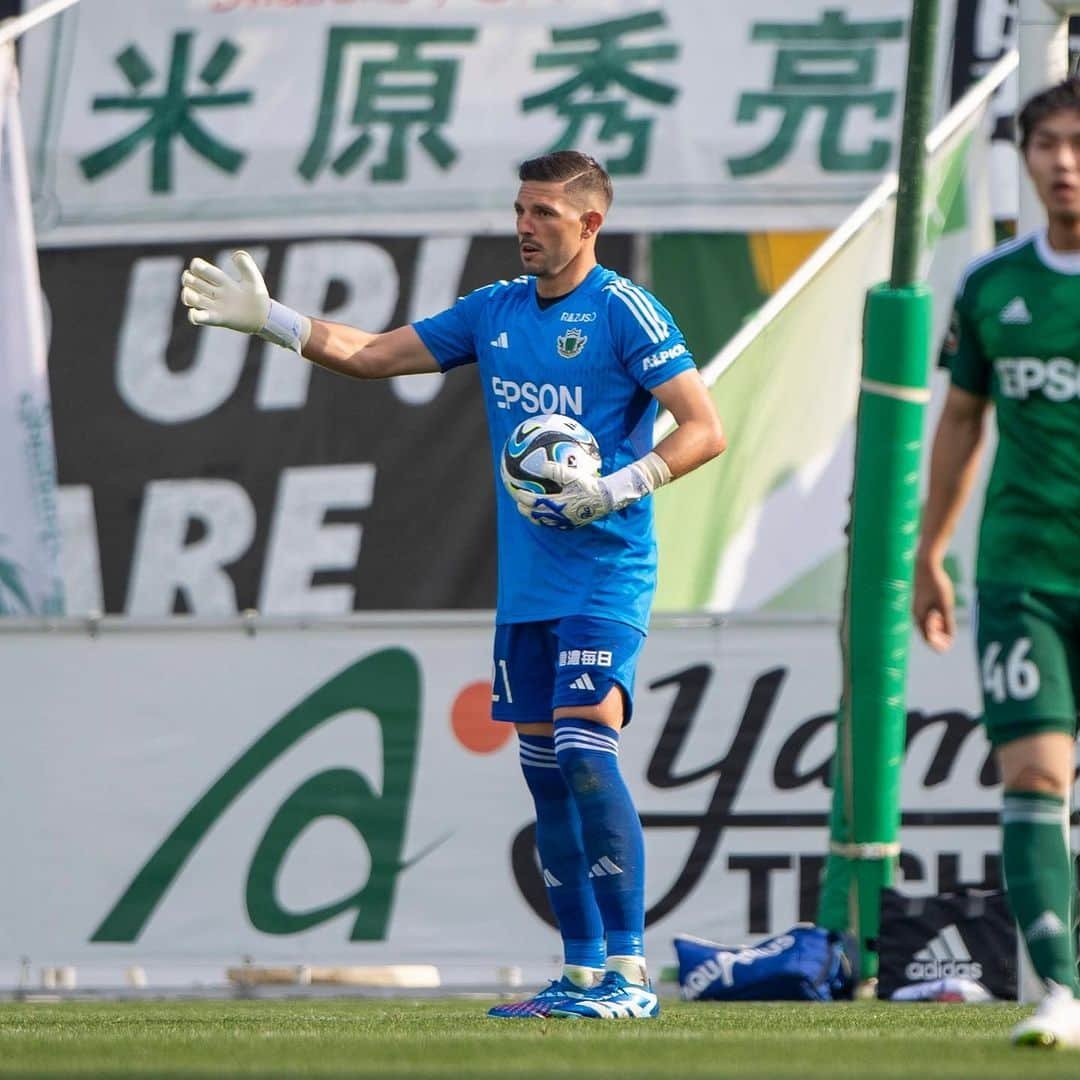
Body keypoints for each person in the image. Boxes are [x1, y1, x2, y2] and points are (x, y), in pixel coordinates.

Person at [180, 150, 726, 1020]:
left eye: (545, 213)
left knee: (587, 752)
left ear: (590, 224)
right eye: (520, 209)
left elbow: (703, 428)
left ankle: (631, 976)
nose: (524, 226)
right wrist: (272, 319)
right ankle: (581, 973)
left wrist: (617, 488)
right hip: (529, 588)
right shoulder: (495, 311)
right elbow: (366, 354)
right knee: (547, 776)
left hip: (606, 572)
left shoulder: (624, 310)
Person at [914, 80, 1080, 1048]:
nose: (1063, 161)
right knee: (1032, 777)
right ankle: (1062, 989)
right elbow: (965, 420)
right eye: (1045, 143)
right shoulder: (991, 286)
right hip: (1025, 572)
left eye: (1077, 142)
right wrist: (931, 548)